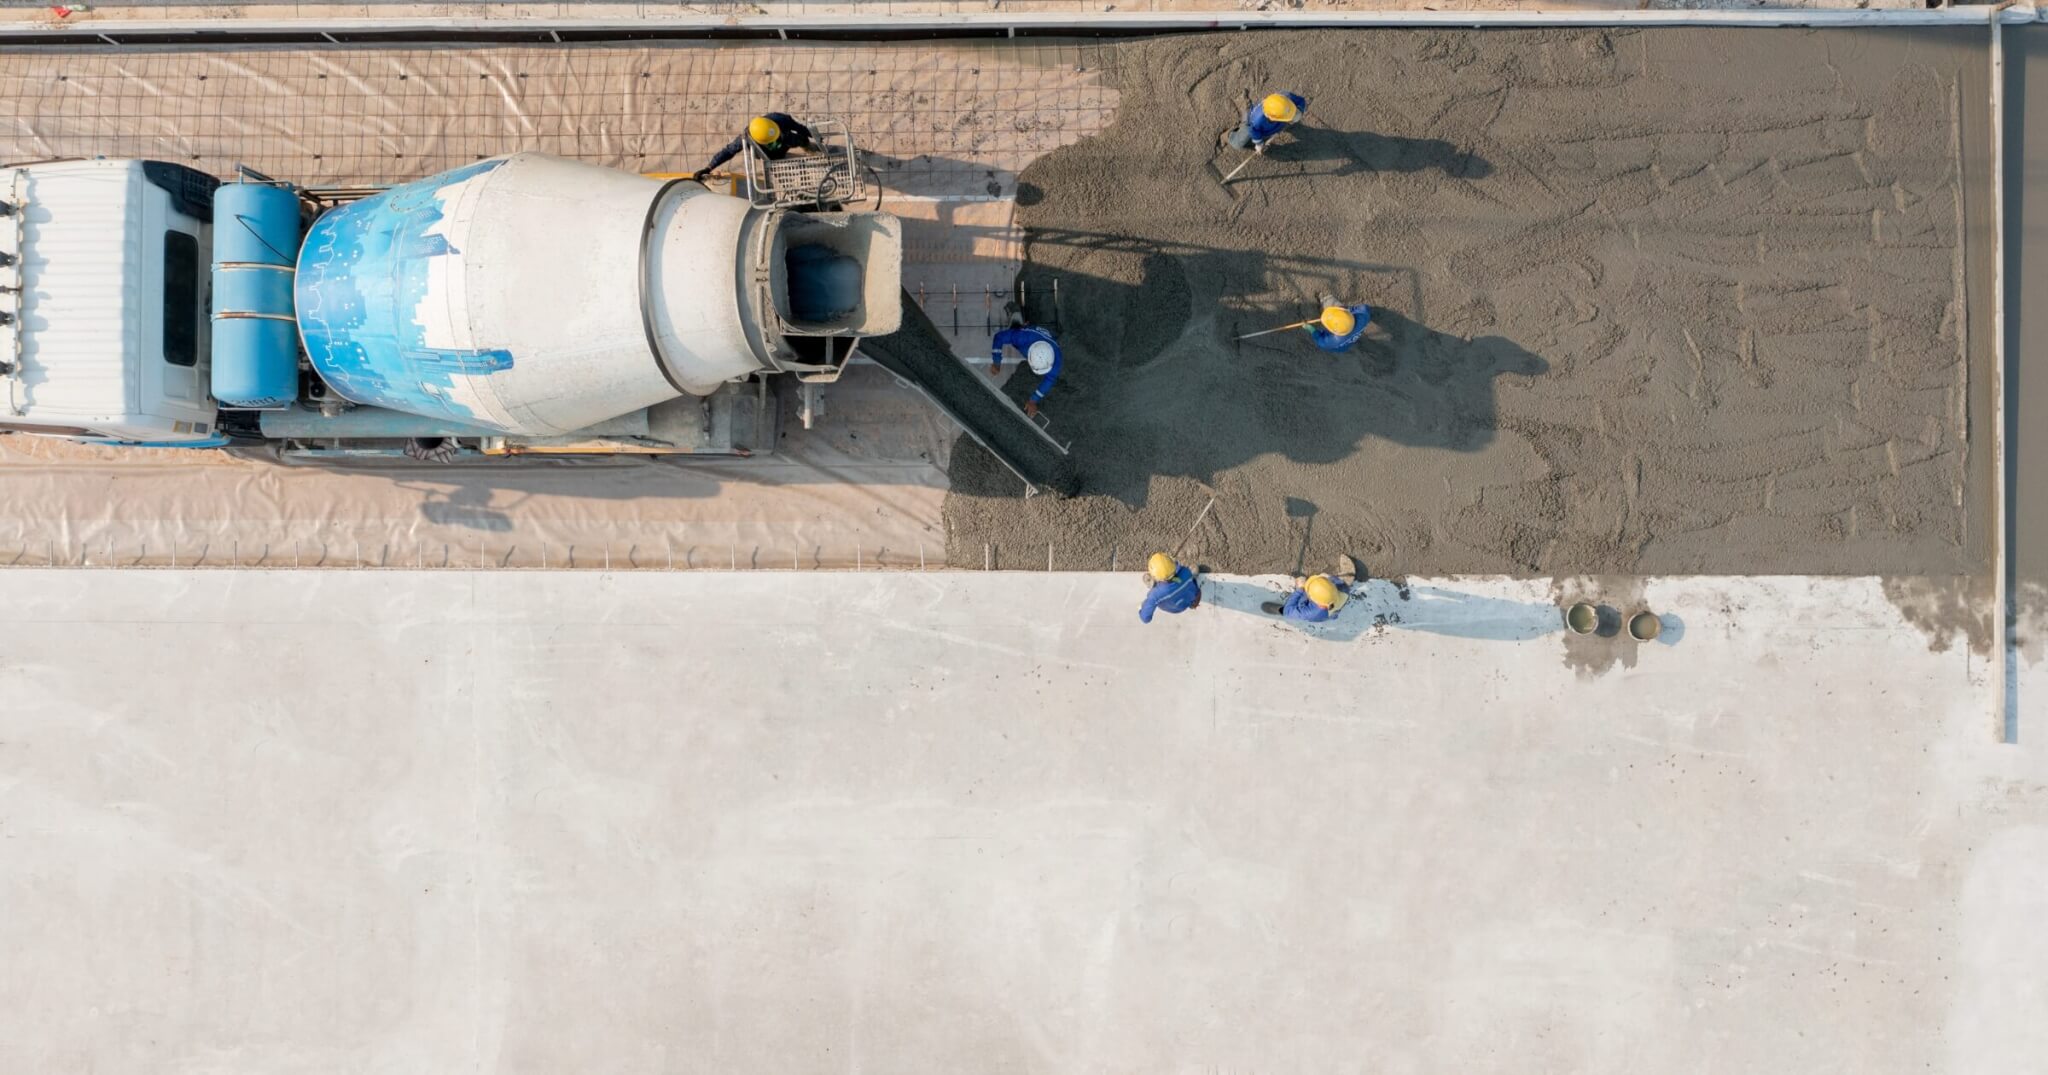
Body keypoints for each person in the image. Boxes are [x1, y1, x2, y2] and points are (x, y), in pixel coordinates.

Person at [694, 113, 817, 178]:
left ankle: (807, 147)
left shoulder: (780, 119)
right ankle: (776, 163)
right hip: (766, 153)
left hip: (786, 141)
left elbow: (799, 128)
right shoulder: (746, 139)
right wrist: (709, 168)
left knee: (798, 138)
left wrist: (813, 135)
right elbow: (728, 151)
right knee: (772, 160)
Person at [989, 321, 1063, 418]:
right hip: (1029, 333)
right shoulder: (1023, 337)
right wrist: (996, 361)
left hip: (1045, 337)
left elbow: (1049, 380)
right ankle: (1018, 323)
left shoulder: (1057, 359)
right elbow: (999, 337)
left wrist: (1033, 400)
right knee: (1015, 333)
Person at [1262, 555, 1366, 623]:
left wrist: (1300, 589)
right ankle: (1333, 615)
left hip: (1320, 613)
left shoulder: (1312, 613)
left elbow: (1289, 612)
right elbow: (1336, 583)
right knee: (1336, 605)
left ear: (1312, 598)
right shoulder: (1342, 592)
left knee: (1290, 610)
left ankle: (1280, 610)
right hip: (1332, 608)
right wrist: (1330, 578)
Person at [1227, 92, 1308, 152]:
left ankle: (1280, 124)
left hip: (1277, 121)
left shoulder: (1285, 99)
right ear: (1271, 117)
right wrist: (1258, 143)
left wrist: (1299, 111)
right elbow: (1253, 131)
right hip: (1250, 123)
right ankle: (1228, 135)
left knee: (1289, 118)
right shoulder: (1257, 121)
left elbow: (1301, 101)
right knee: (1237, 144)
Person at [1139, 553, 1202, 624]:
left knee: (1146, 602)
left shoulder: (1155, 595)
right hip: (1188, 602)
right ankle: (1193, 605)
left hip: (1173, 609)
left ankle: (1152, 583)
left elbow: (1145, 618)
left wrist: (1141, 608)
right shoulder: (1186, 572)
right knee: (1193, 571)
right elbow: (1177, 577)